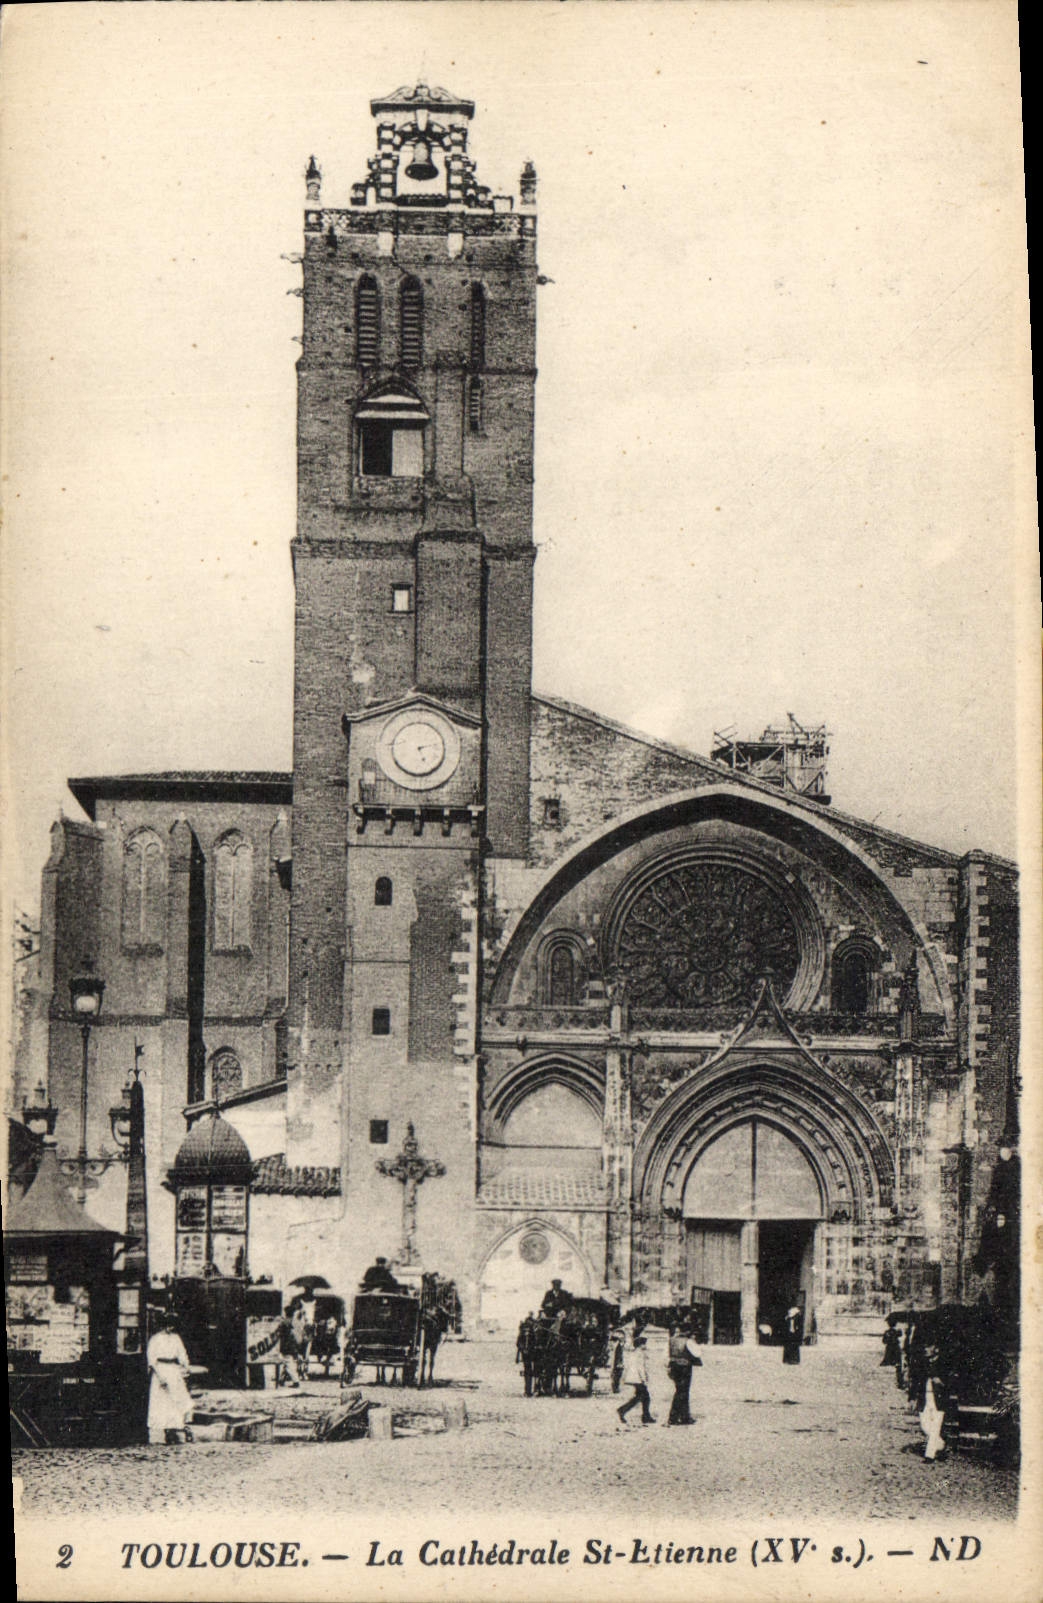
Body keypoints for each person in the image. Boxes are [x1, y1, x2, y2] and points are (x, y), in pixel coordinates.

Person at [146, 1313, 193, 1445]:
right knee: (162, 1401)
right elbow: (151, 1360)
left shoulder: (176, 1338)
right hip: (160, 1370)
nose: (170, 1328)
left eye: (172, 1326)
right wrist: (160, 1377)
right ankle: (164, 1428)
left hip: (173, 1370)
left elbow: (182, 1353)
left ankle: (174, 1426)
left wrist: (186, 1365)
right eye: (168, 1325)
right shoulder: (155, 1339)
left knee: (176, 1399)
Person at [666, 1319, 702, 1425]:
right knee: (683, 1392)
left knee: (680, 1390)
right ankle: (674, 1417)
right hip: (685, 1367)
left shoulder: (671, 1340)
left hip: (673, 1366)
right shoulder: (688, 1341)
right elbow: (697, 1353)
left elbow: (666, 1355)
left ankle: (684, 1416)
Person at [617, 1335, 655, 1425]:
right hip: (637, 1378)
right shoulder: (640, 1353)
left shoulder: (634, 1353)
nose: (645, 1346)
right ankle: (623, 1410)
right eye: (644, 1344)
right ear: (640, 1345)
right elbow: (640, 1367)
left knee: (642, 1397)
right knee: (644, 1397)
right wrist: (644, 1379)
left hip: (633, 1377)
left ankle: (645, 1416)